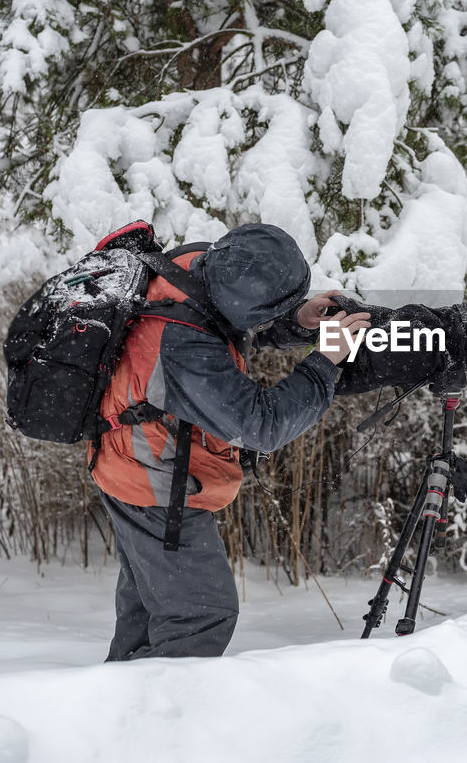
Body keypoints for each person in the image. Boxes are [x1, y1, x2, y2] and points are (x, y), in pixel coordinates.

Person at [89, 223, 370, 660]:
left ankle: (125, 710)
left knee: (148, 611)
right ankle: (162, 719)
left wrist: (296, 320)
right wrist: (325, 359)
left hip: (127, 462)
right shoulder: (183, 346)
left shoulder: (195, 264)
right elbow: (262, 424)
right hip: (154, 485)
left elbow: (224, 323)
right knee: (200, 615)